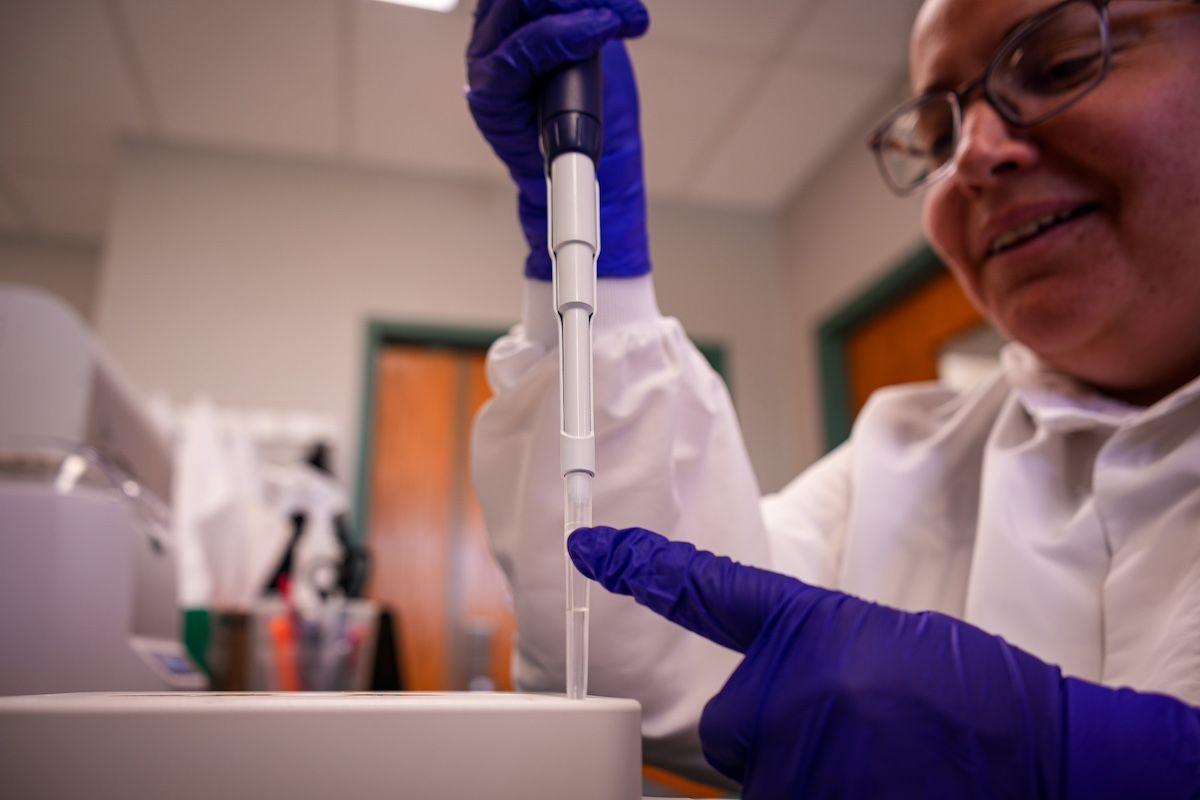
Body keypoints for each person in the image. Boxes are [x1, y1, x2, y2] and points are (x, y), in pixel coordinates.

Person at [467, 0, 1200, 795]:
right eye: (942, 136)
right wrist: (597, 276)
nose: (977, 154)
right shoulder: (905, 449)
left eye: (1059, 66)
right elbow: (662, 666)